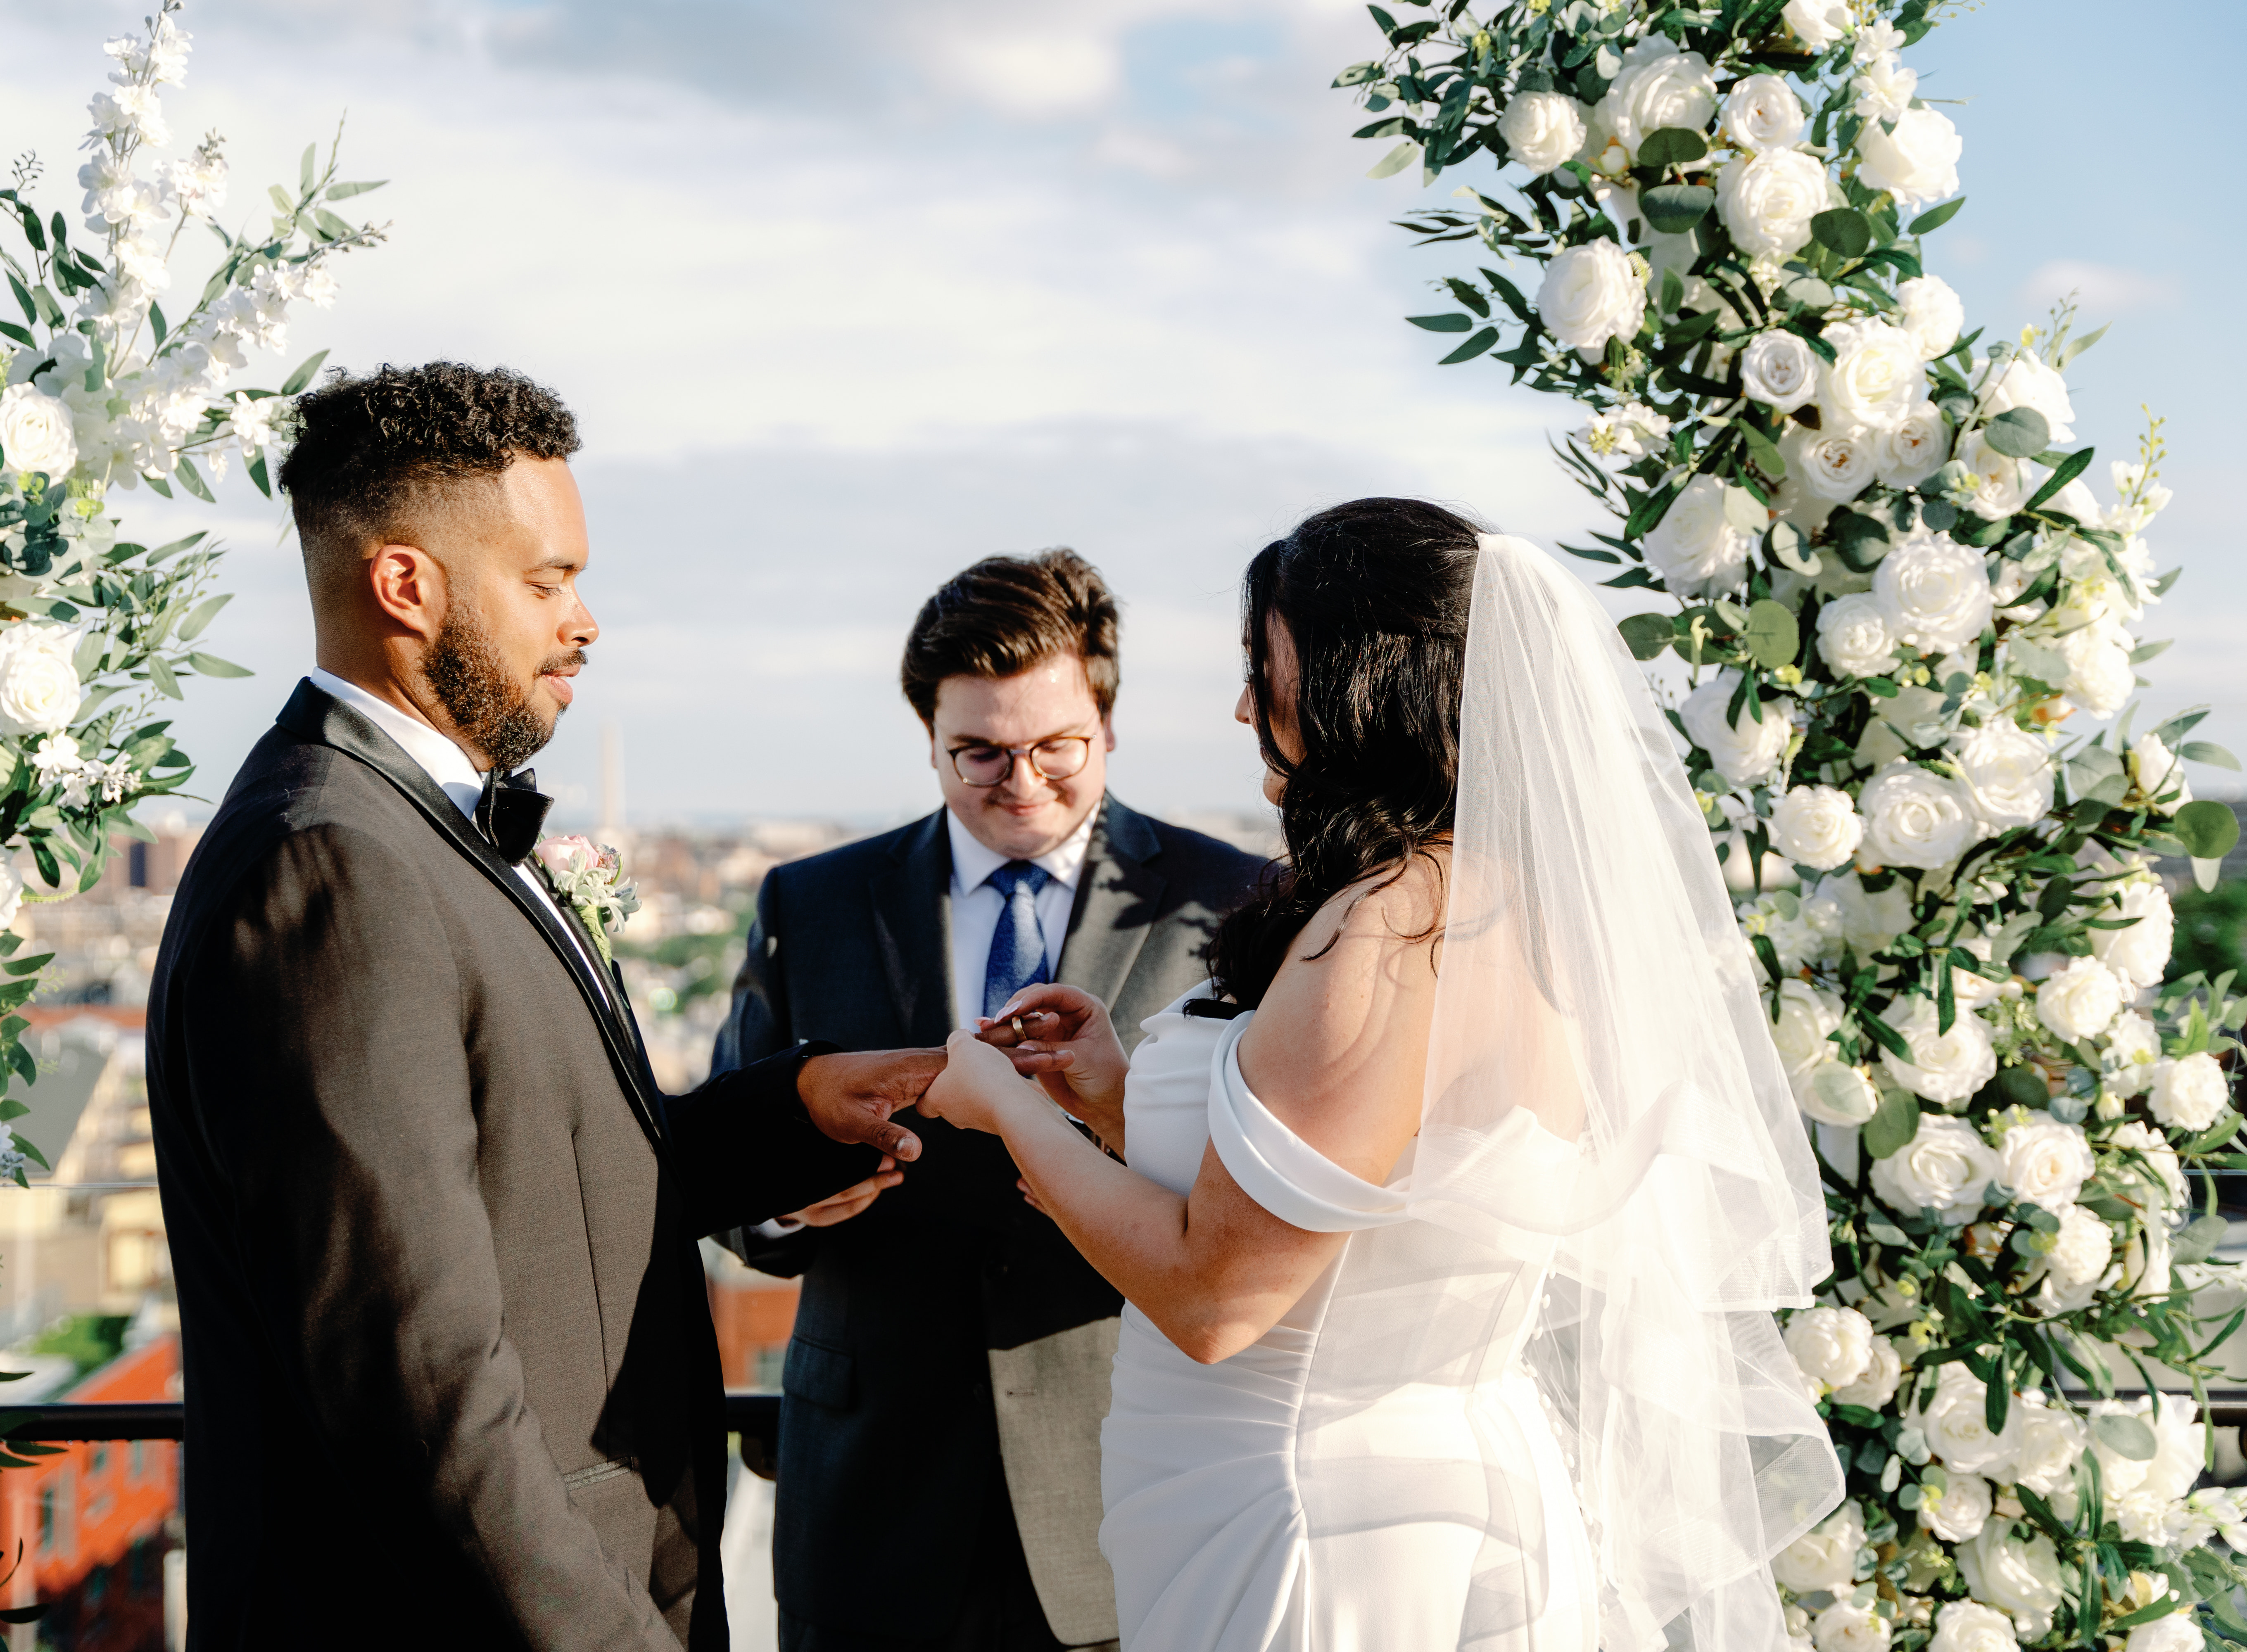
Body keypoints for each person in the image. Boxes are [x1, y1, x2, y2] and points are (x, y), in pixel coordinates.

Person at [914, 501, 1842, 1651]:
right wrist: (1114, 1094)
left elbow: (1221, 1300)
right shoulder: (1509, 902)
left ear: (1361, 677)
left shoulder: (1388, 931)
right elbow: (1397, 1170)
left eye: (1267, 665)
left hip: (1314, 1517)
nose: (1246, 705)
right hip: (1422, 1484)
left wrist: (1001, 1107)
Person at [146, 362, 970, 1651]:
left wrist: (793, 1111)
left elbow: (538, 1177)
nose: (584, 623)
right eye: (547, 582)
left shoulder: (424, 830)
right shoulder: (335, 862)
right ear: (406, 586)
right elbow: (419, 1378)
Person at [713, 548, 1264, 1652]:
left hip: (1129, 1483)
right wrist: (789, 1202)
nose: (1020, 783)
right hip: (871, 1499)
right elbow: (732, 1165)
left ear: (1109, 725)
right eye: (978, 754)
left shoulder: (1233, 900)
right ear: (927, 738)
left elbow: (1250, 1182)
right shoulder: (811, 902)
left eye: (1056, 747)